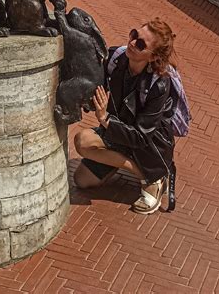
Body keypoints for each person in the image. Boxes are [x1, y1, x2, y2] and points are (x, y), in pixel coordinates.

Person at [73, 18, 176, 214]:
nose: (132, 43)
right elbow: (93, 86)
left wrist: (105, 119)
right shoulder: (115, 58)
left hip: (148, 146)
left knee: (83, 140)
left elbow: (141, 136)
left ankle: (154, 176)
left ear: (153, 56)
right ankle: (134, 169)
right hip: (119, 134)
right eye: (134, 35)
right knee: (81, 179)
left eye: (140, 44)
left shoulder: (159, 85)